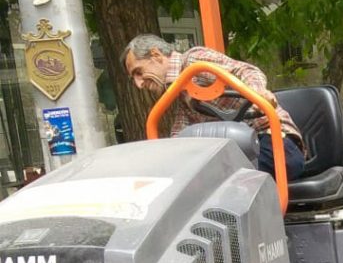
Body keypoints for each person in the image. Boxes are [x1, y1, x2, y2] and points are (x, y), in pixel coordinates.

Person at [121, 34, 306, 180]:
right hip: (240, 147)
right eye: (133, 78)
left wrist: (258, 93)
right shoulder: (178, 93)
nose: (139, 84)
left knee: (217, 177)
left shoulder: (195, 61)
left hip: (268, 137)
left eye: (139, 72)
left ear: (156, 55)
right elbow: (180, 131)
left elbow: (245, 70)